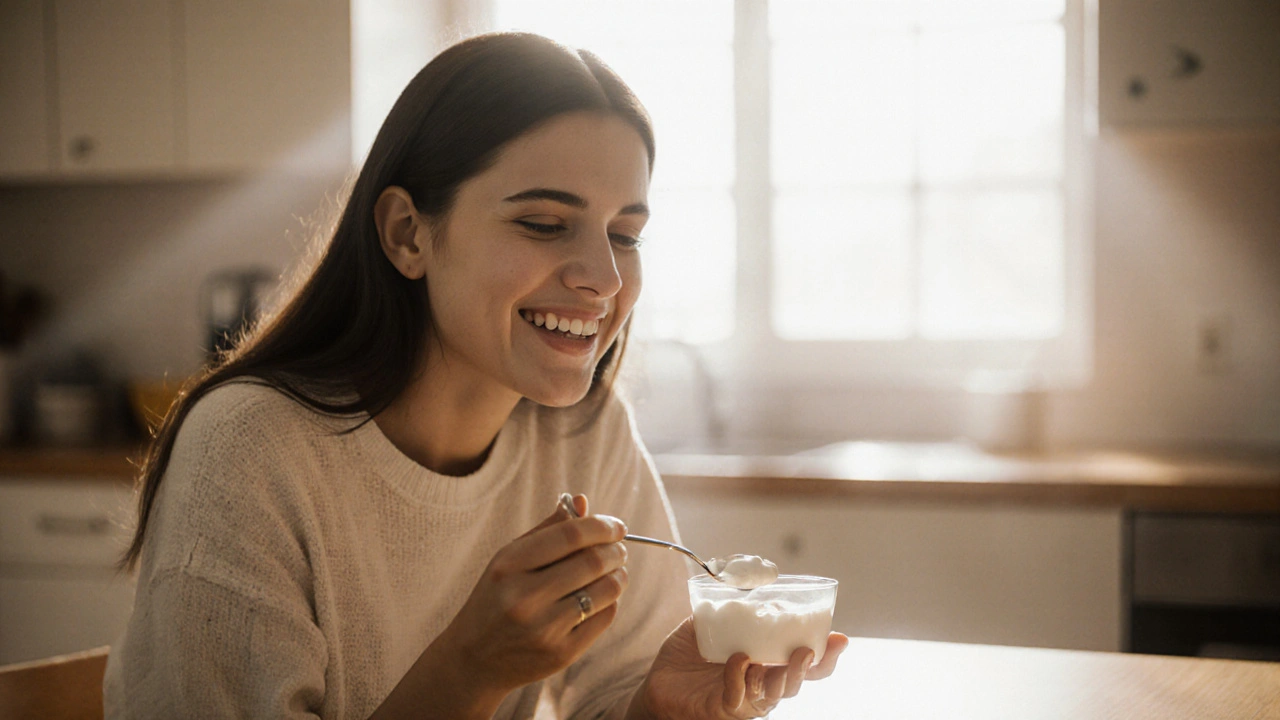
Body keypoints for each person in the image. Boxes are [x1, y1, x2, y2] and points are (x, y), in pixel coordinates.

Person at [104, 32, 847, 719]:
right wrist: (469, 669)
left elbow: (615, 688)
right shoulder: (248, 452)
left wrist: (658, 705)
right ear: (408, 235)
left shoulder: (582, 430)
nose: (603, 278)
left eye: (625, 234)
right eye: (545, 224)